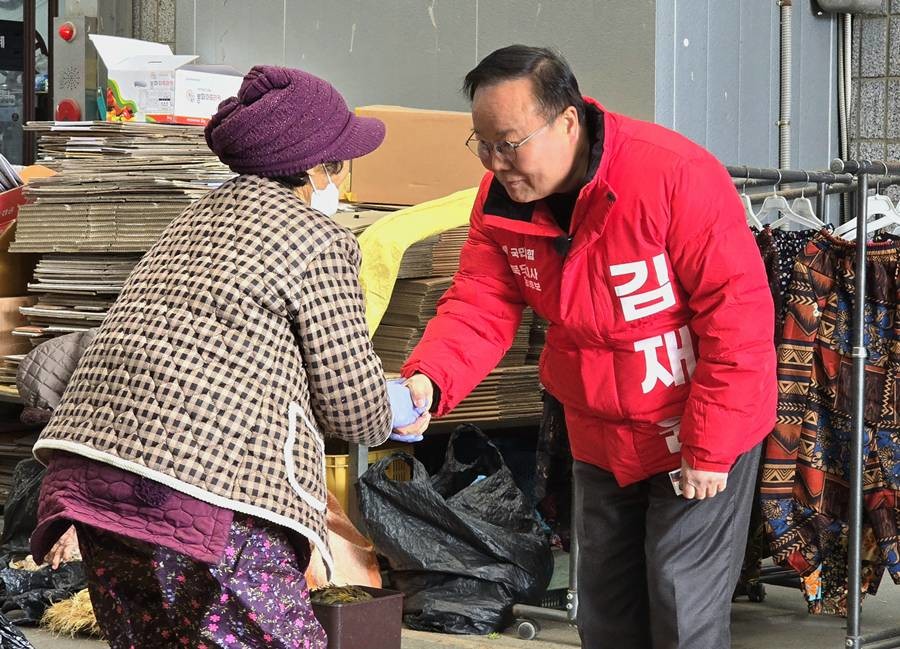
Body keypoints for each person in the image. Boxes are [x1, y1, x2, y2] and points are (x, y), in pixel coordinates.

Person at [393, 45, 776, 649]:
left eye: (510, 143)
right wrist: (427, 381)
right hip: (598, 429)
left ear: (567, 121)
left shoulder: (672, 174)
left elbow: (737, 314)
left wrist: (712, 444)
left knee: (681, 604)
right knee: (605, 609)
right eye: (483, 144)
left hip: (693, 426)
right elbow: (478, 305)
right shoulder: (501, 207)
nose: (496, 163)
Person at [30, 65, 421, 649]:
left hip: (90, 481)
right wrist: (396, 408)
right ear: (316, 167)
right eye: (341, 162)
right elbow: (350, 408)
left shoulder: (188, 222)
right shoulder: (317, 240)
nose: (345, 177)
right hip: (202, 495)